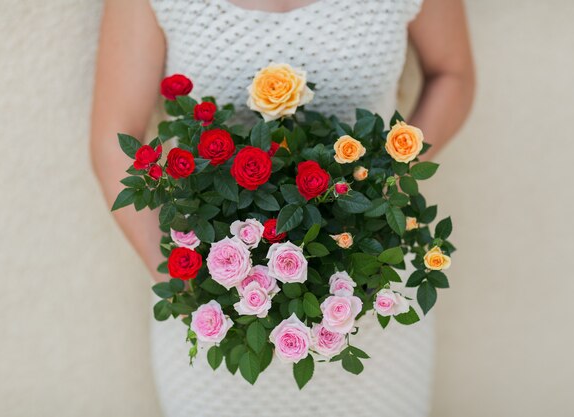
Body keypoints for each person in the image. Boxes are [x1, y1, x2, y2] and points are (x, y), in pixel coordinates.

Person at [90, 1, 474, 416]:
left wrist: (388, 181)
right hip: (219, 305)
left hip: (369, 288)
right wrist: (186, 282)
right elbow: (117, 137)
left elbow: (451, 74)